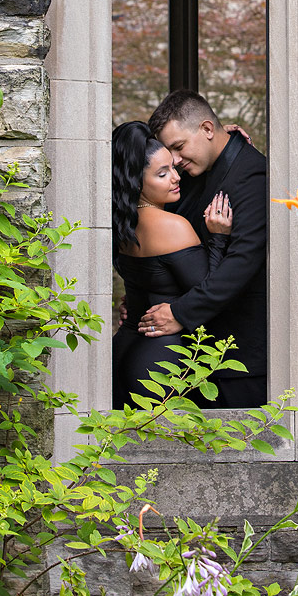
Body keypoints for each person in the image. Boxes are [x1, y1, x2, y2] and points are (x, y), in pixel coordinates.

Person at [142, 90, 267, 407]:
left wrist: (180, 313)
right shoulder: (194, 172)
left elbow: (241, 263)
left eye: (179, 147)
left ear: (208, 129)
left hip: (239, 358)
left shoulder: (253, 174)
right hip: (195, 354)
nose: (176, 160)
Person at [111, 120, 233, 408]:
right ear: (137, 183)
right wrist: (218, 238)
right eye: (162, 174)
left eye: (174, 167)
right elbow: (210, 290)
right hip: (160, 361)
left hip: (123, 349)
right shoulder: (172, 226)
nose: (176, 177)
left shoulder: (122, 225)